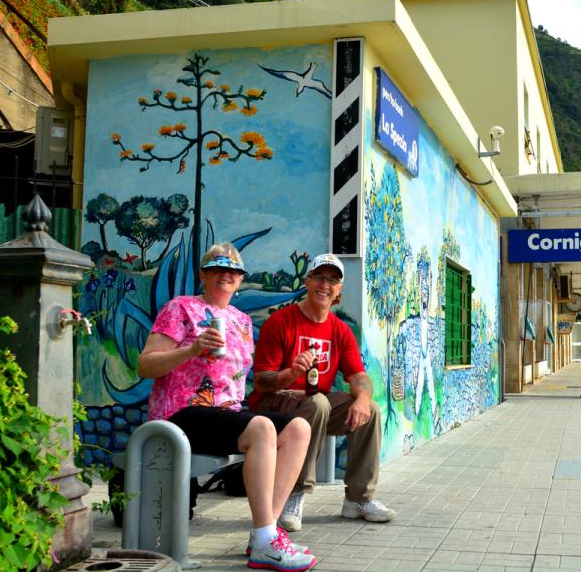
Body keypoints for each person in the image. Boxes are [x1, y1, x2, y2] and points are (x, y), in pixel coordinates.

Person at [138, 243, 317, 572]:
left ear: (240, 279)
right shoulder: (181, 308)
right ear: (203, 275)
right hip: (180, 413)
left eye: (233, 270)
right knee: (261, 428)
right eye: (217, 268)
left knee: (298, 428)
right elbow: (145, 365)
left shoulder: (242, 321)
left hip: (225, 414)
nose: (225, 274)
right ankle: (265, 540)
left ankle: (265, 533)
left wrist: (291, 373)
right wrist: (191, 350)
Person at [249, 253, 396, 532]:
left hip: (315, 405)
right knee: (317, 403)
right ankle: (294, 491)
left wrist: (363, 398)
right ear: (307, 281)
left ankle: (358, 499)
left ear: (339, 289)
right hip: (273, 404)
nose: (325, 285)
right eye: (319, 277)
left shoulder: (340, 330)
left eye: (332, 280)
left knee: (371, 409)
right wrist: (290, 374)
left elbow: (358, 376)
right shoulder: (280, 321)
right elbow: (261, 381)